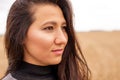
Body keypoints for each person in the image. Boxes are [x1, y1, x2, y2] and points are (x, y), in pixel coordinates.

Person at [2, 0, 90, 80]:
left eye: (64, 27)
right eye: (49, 28)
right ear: (20, 35)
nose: (62, 39)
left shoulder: (73, 76)